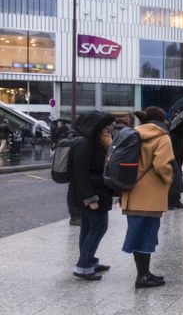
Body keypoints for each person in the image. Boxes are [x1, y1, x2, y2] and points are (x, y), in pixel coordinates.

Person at [121, 107, 174, 288]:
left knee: (138, 233)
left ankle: (143, 273)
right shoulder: (162, 137)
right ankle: (142, 276)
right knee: (147, 234)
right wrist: (170, 178)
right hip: (150, 195)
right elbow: (161, 165)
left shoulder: (133, 133)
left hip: (131, 192)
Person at [70, 111, 115, 281]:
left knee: (88, 228)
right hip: (91, 194)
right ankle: (83, 266)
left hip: (97, 191)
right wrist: (90, 198)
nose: (107, 129)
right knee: (99, 227)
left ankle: (89, 260)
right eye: (103, 126)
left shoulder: (94, 142)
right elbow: (80, 174)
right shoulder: (84, 144)